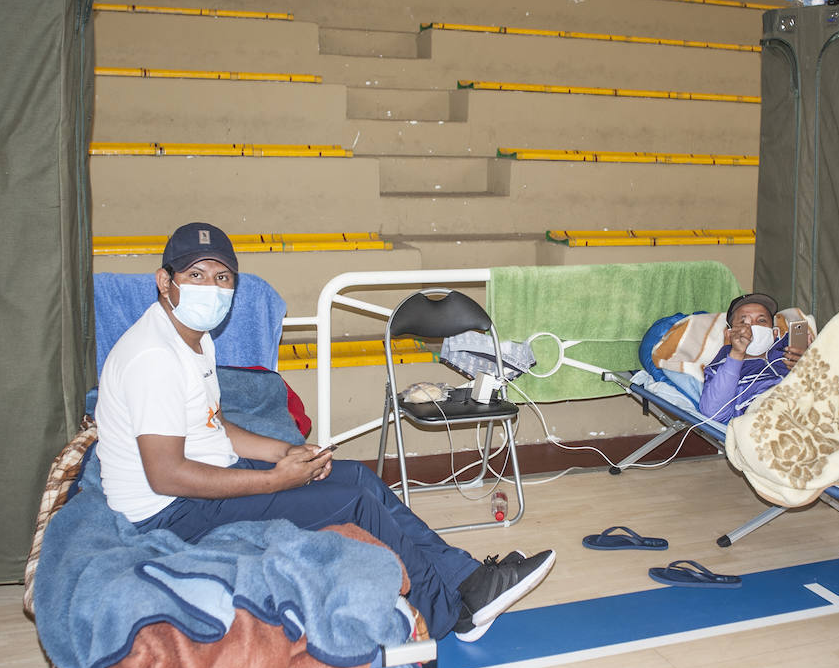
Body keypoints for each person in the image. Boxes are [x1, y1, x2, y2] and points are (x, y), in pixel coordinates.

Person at [94, 222, 554, 643]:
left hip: (199, 483)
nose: (211, 289)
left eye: (222, 278)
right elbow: (166, 475)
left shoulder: (193, 340)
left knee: (358, 478)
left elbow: (211, 426)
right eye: (196, 275)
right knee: (351, 503)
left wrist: (288, 451)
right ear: (164, 281)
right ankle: (451, 611)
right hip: (170, 513)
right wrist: (277, 480)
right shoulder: (153, 357)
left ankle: (466, 578)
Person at [696, 292, 806, 424]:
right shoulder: (721, 368)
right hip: (765, 424)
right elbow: (713, 414)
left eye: (761, 320)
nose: (753, 327)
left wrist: (808, 364)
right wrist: (737, 354)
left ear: (775, 332)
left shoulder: (792, 353)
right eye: (743, 322)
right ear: (729, 334)